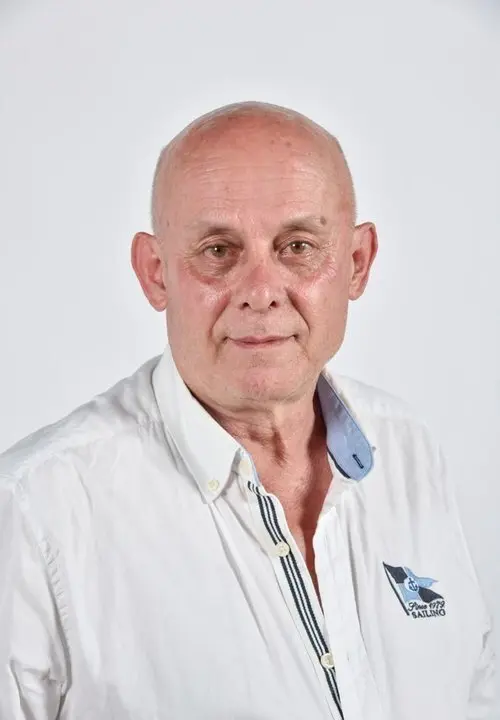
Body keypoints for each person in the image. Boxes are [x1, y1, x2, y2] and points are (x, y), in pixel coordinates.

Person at [0, 101, 495, 720]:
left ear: (357, 263)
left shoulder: (409, 452)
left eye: (298, 246)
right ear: (155, 274)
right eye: (217, 250)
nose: (261, 293)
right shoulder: (37, 510)